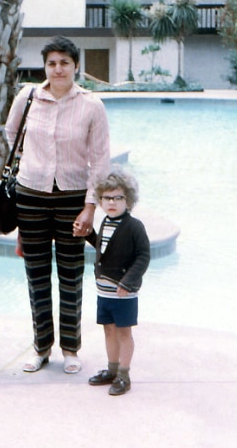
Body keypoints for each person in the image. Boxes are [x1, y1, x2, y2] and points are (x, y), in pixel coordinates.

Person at [5, 36, 110, 374]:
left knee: (71, 275)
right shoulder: (28, 97)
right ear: (45, 67)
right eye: (52, 63)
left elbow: (100, 160)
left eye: (65, 62)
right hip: (31, 195)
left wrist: (90, 205)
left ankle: (70, 348)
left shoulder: (92, 105)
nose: (58, 69)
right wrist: (31, 163)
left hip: (72, 198)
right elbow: (11, 135)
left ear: (76, 66)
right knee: (36, 276)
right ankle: (41, 347)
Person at [85, 166, 150, 395]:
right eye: (107, 198)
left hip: (124, 293)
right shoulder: (105, 223)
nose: (112, 202)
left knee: (124, 333)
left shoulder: (134, 227)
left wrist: (128, 282)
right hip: (104, 291)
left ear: (129, 200)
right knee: (109, 331)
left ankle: (124, 373)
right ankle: (111, 369)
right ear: (100, 200)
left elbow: (143, 256)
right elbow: (105, 249)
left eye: (118, 197)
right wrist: (88, 235)